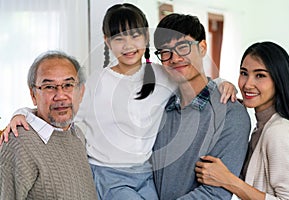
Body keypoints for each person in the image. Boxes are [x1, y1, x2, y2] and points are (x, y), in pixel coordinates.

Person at [0, 4, 237, 200]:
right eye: (118, 38)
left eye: (135, 35)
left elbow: (193, 80)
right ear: (107, 41)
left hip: (145, 174)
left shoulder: (164, 76)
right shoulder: (94, 84)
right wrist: (21, 113)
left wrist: (222, 83)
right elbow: (60, 108)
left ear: (145, 37)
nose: (128, 45)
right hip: (107, 174)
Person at [150, 13, 251, 200]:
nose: (174, 58)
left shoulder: (231, 113)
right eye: (166, 52)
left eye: (182, 47)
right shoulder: (162, 107)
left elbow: (216, 193)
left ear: (202, 48)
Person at [195, 41, 289, 200]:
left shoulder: (279, 132)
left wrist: (228, 180)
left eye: (260, 75)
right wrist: (223, 85)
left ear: (279, 80)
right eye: (244, 73)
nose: (247, 84)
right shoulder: (262, 126)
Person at [0, 51, 97, 199]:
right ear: (33, 95)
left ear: (81, 92)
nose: (60, 95)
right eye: (49, 87)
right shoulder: (19, 143)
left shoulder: (77, 134)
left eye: (68, 85)